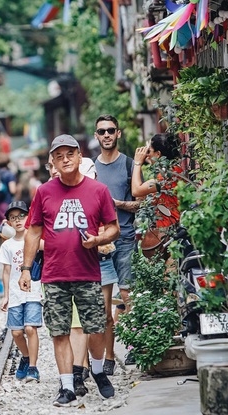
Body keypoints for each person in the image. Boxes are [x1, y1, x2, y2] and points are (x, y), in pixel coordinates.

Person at [19, 134, 119, 407]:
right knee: (59, 332)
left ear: (79, 156)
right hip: (54, 274)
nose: (65, 160)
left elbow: (114, 228)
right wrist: (26, 269)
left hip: (88, 272)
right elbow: (33, 232)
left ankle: (97, 371)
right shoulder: (43, 192)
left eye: (69, 154)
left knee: (96, 328)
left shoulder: (98, 190)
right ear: (52, 161)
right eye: (59, 156)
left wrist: (98, 240)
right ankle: (66, 387)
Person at [93, 115, 141, 369]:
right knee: (103, 306)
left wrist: (118, 204)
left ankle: (134, 346)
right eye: (102, 131)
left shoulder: (129, 165)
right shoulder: (90, 169)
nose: (107, 135)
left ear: (118, 134)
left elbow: (141, 203)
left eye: (111, 130)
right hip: (100, 244)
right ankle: (109, 357)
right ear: (96, 136)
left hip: (124, 238)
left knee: (127, 296)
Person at [0, 201, 42, 383]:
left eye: (21, 216)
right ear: (8, 222)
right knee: (16, 333)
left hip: (33, 291)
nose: (18, 221)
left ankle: (33, 367)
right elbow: (6, 272)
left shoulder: (36, 239)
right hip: (15, 293)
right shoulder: (7, 246)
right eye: (13, 218)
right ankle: (25, 356)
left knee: (30, 328)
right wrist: (6, 295)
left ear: (29, 216)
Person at [131, 133, 182, 229]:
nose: (147, 155)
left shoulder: (165, 177)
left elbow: (136, 191)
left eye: (149, 151)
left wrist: (137, 163)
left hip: (169, 228)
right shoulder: (174, 170)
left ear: (158, 154)